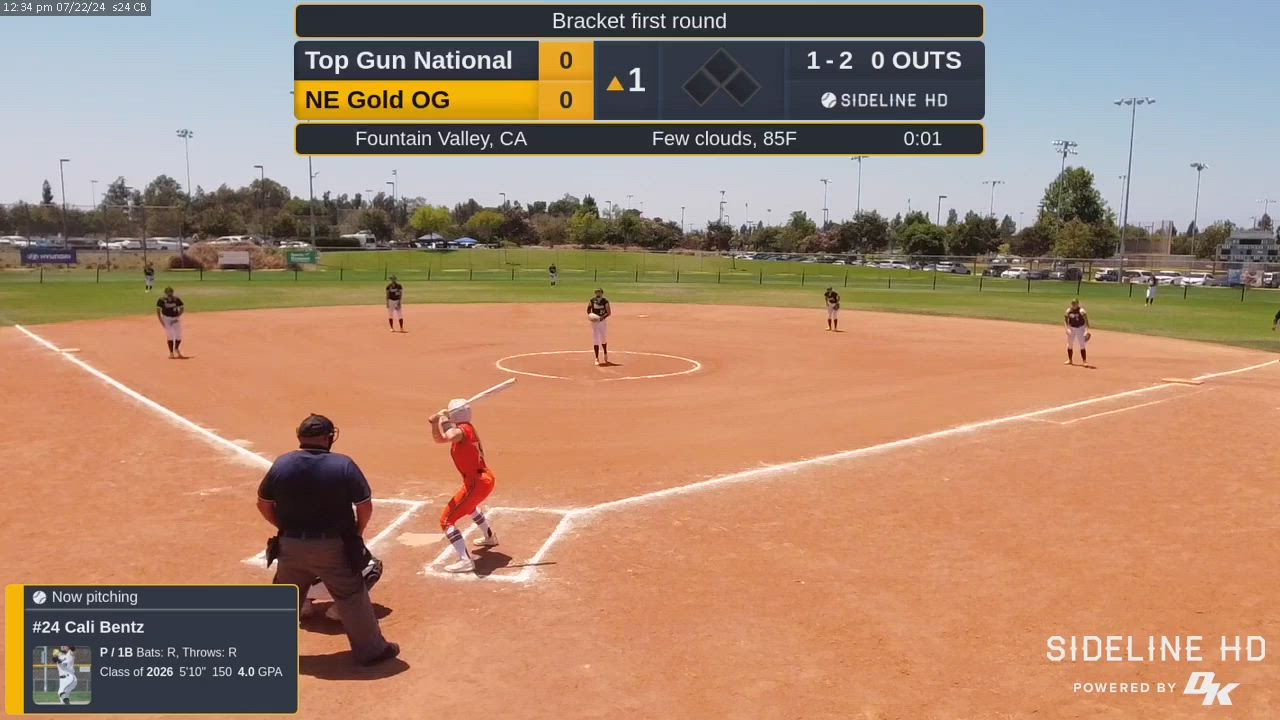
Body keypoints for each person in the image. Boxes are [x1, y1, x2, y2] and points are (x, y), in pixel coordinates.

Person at [256, 414, 399, 666]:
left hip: (291, 546)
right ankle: (372, 652)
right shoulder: (343, 465)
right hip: (332, 547)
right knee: (352, 596)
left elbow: (263, 504)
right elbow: (364, 506)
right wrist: (356, 533)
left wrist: (284, 528)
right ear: (326, 438)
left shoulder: (282, 463)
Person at [429, 399, 499, 574]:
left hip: (477, 483)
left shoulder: (462, 430)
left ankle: (465, 561)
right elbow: (440, 439)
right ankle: (490, 537)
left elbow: (450, 435)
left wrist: (444, 419)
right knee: (470, 507)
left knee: (446, 521)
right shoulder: (465, 429)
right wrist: (435, 422)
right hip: (482, 480)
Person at [155, 286, 185, 359]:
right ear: (165, 293)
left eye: (171, 292)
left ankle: (176, 348)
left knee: (179, 335)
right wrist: (161, 321)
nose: (169, 294)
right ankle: (171, 352)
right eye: (168, 293)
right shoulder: (161, 300)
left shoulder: (176, 299)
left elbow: (182, 307)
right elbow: (158, 311)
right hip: (166, 318)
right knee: (170, 335)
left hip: (175, 318)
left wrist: (178, 316)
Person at [587, 287, 611, 366]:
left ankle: (605, 353)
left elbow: (608, 312)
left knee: (603, 338)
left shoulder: (605, 301)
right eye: (596, 292)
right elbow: (588, 309)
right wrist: (591, 316)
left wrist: (601, 318)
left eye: (599, 292)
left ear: (602, 293)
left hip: (602, 322)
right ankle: (596, 358)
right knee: (596, 339)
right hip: (594, 323)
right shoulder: (592, 300)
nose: (598, 293)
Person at [1064, 299, 1091, 367]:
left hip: (1080, 328)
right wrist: (1067, 329)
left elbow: (1086, 321)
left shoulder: (1081, 311)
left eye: (1075, 303)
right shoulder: (1068, 311)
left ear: (1078, 304)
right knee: (1070, 344)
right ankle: (1070, 360)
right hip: (1072, 328)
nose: (1073, 305)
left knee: (1082, 345)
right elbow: (1065, 320)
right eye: (1072, 303)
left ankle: (1084, 361)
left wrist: (1086, 330)